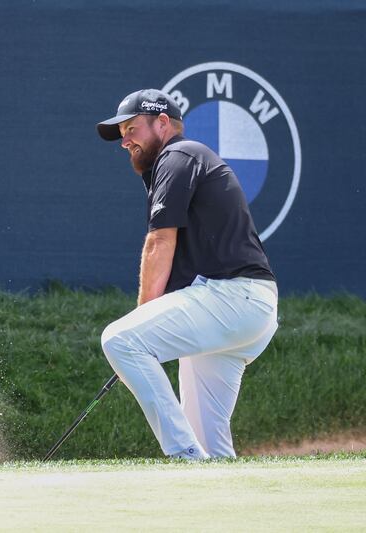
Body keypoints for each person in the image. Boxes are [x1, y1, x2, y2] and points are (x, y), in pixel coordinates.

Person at [95, 89, 278, 460]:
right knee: (209, 446)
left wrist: (140, 321)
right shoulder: (182, 160)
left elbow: (159, 241)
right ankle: (217, 493)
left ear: (162, 123)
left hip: (230, 297)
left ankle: (182, 456)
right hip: (247, 307)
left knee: (121, 339)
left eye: (132, 129)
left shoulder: (179, 153)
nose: (124, 141)